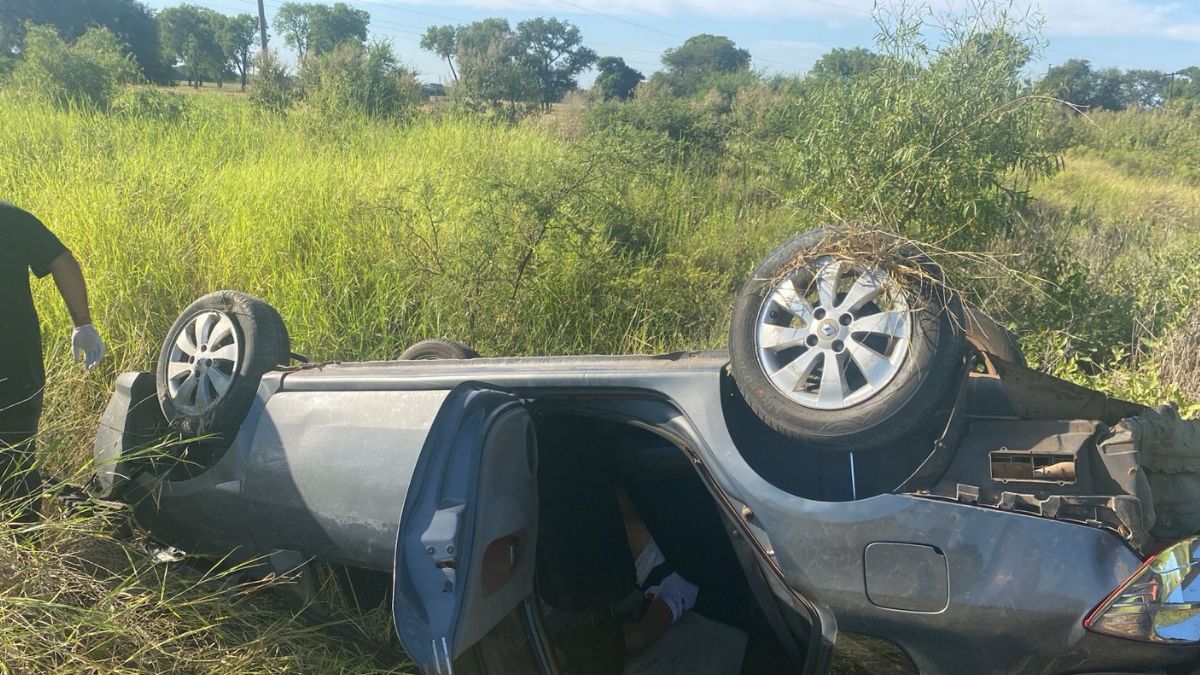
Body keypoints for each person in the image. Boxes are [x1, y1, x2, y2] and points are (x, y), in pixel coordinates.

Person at [0, 201, 104, 523]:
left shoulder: (8, 217)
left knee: (16, 463)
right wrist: (82, 323)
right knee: (16, 461)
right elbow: (61, 260)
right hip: (18, 365)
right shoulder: (9, 217)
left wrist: (83, 323)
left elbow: (60, 260)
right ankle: (22, 545)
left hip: (15, 364)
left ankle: (21, 551)